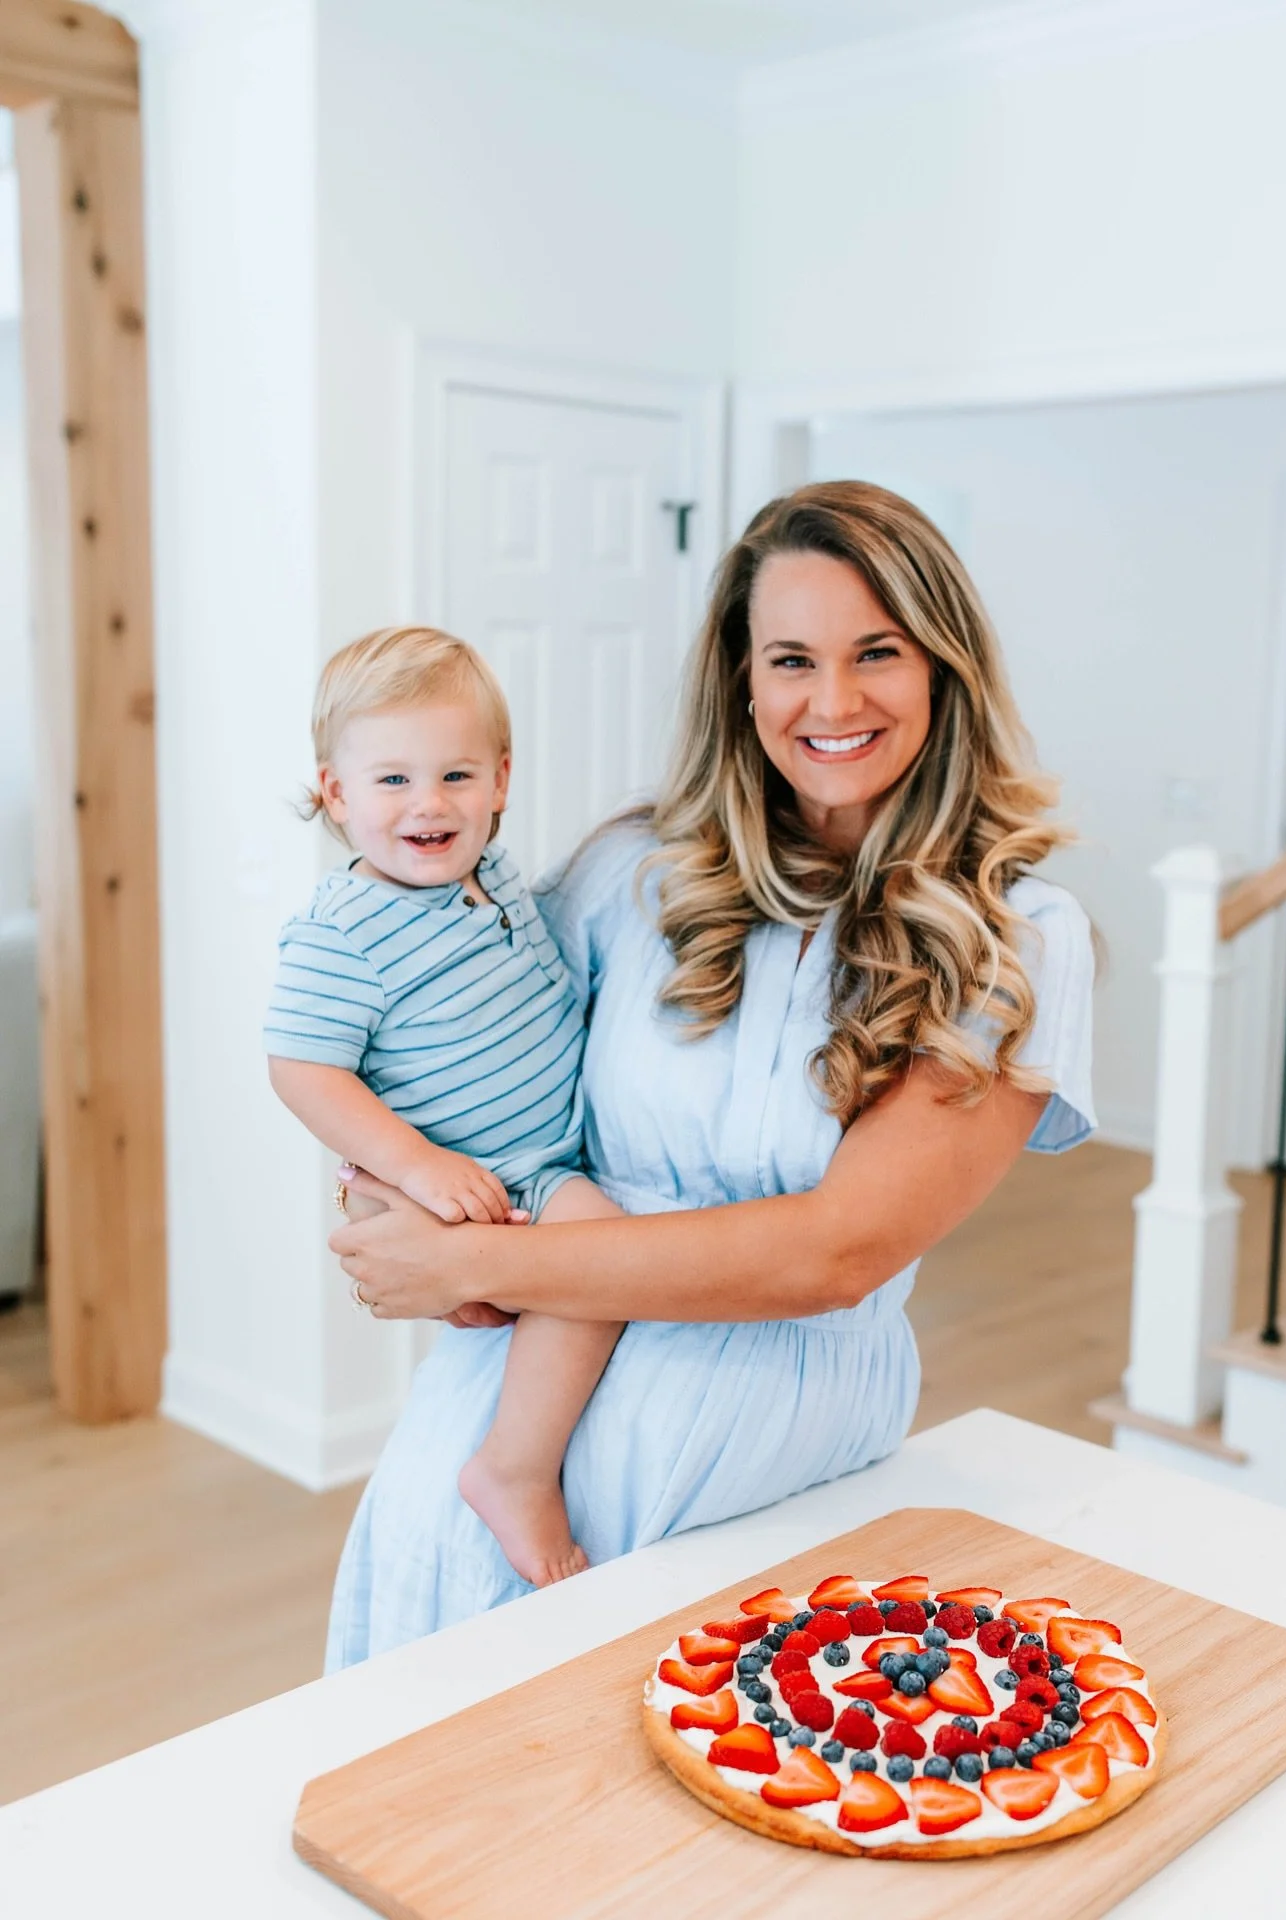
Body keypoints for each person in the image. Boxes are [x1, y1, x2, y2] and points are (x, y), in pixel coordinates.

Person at [326, 481, 1095, 1670]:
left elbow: (835, 1253)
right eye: (790, 658)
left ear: (944, 667)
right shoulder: (636, 870)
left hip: (765, 1481)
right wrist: (393, 1184)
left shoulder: (1015, 938)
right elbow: (458, 1056)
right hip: (490, 1437)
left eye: (877, 652)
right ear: (741, 681)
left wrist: (474, 1258)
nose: (831, 702)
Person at [264, 626, 625, 1589]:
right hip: (500, 1178)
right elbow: (303, 1069)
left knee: (599, 1244)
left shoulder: (494, 877)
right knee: (599, 1260)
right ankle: (513, 1469)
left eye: (457, 776)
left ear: (501, 781)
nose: (429, 804)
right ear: (336, 794)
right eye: (391, 782)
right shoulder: (341, 931)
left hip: (562, 1147)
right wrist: (416, 1170)